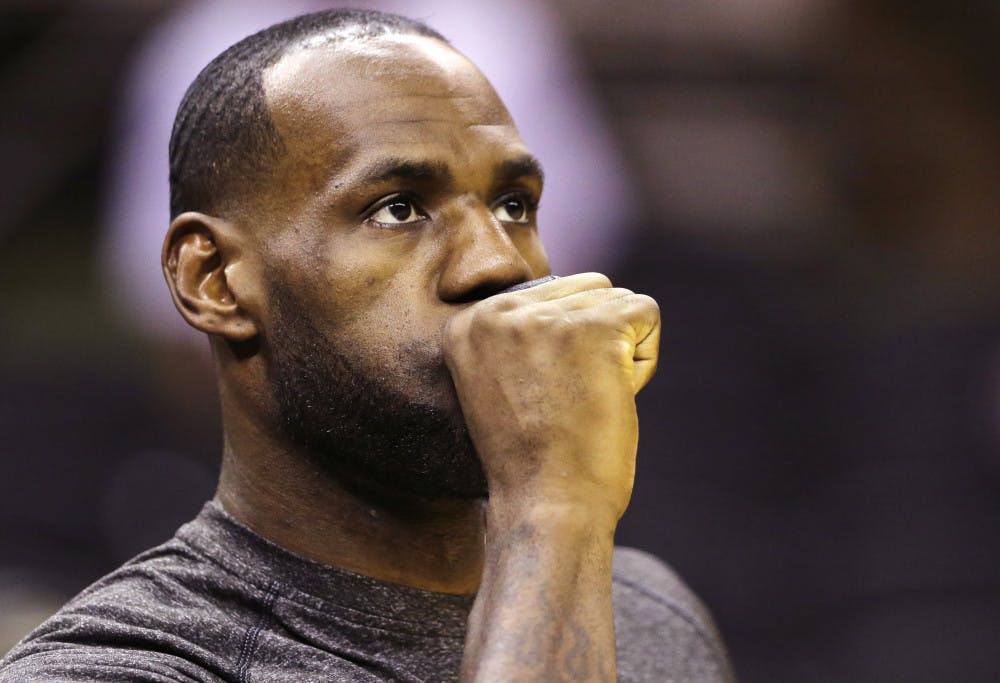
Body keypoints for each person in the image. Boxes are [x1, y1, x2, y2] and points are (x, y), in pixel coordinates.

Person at [0, 9, 734, 682]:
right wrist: (551, 510)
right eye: (399, 209)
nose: (499, 265)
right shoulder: (120, 666)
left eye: (515, 206)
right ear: (214, 280)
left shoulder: (651, 617)